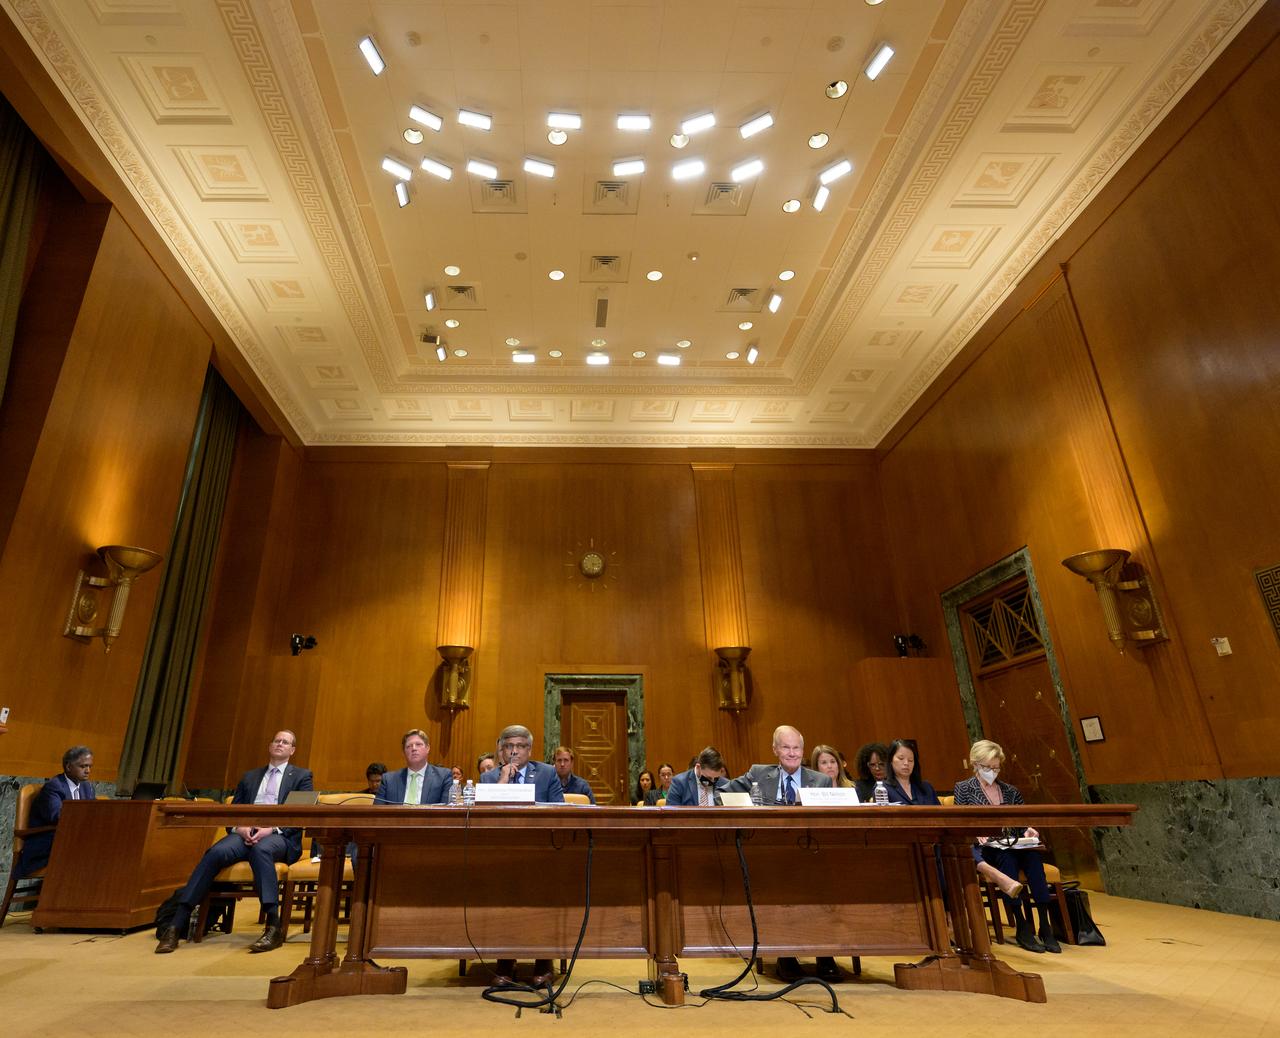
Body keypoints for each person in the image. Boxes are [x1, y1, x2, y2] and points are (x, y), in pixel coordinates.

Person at [156, 730, 313, 954]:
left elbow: (301, 817)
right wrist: (240, 828)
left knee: (261, 850)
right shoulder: (249, 777)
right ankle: (176, 924)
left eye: (285, 742)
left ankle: (273, 925)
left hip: (279, 836)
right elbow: (232, 814)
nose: (280, 744)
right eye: (276, 741)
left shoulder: (301, 776)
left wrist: (270, 830)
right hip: (244, 833)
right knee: (215, 853)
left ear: (292, 750)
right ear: (270, 747)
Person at [729, 725, 836, 982]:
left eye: (796, 748)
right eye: (786, 747)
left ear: (803, 750)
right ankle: (785, 954)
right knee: (777, 887)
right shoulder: (758, 773)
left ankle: (826, 954)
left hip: (811, 852)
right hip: (770, 852)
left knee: (823, 886)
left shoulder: (819, 780)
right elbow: (728, 792)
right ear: (775, 750)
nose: (792, 753)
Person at [954, 739, 1061, 954]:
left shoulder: (1010, 790)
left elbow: (1021, 822)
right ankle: (1021, 924)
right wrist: (977, 833)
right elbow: (960, 822)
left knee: (1033, 860)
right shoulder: (963, 788)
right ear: (975, 764)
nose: (992, 772)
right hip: (990, 848)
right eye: (987, 767)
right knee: (1007, 861)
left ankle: (1044, 924)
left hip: (1015, 844)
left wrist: (1028, 830)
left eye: (996, 767)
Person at [480, 724, 564, 987]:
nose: (514, 751)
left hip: (540, 852)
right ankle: (504, 961)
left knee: (544, 894)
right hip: (501, 852)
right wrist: (502, 781)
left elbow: (558, 810)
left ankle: (543, 960)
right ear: (501, 749)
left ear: (530, 749)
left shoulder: (547, 773)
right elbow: (484, 816)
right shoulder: (489, 777)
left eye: (520, 746)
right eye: (509, 747)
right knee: (499, 898)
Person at [16, 745, 94, 878]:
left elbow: (93, 815)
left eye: (90, 766)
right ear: (68, 767)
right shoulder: (54, 787)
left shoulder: (87, 788)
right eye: (83, 766)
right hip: (45, 844)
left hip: (70, 841)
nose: (87, 771)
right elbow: (57, 817)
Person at [374, 729, 453, 805]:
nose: (414, 748)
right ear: (404, 752)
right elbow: (376, 813)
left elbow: (446, 812)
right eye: (409, 746)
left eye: (418, 744)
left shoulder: (443, 777)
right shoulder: (389, 780)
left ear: (428, 748)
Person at [664, 747, 731, 806]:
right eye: (708, 778)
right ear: (698, 767)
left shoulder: (726, 784)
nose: (712, 781)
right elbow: (671, 816)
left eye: (716, 778)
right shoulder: (679, 783)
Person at [883, 739, 940, 805]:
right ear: (891, 761)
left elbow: (941, 813)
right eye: (901, 758)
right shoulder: (883, 789)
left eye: (910, 760)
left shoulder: (927, 787)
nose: (906, 763)